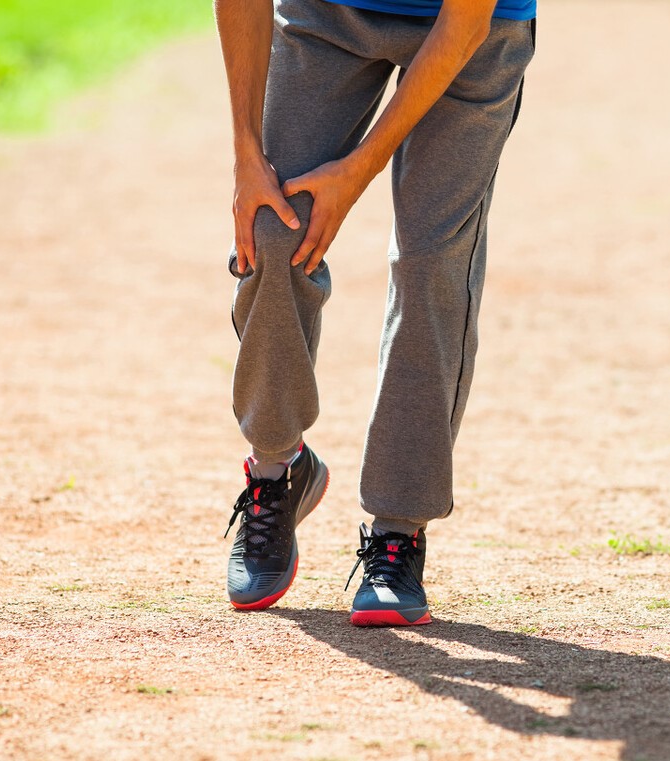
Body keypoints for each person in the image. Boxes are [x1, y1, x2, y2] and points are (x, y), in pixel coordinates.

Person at [213, 0, 535, 626]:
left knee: (430, 265)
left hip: (475, 34)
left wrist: (359, 169)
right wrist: (245, 155)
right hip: (330, 14)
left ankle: (398, 531)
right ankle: (277, 468)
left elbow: (465, 22)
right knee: (274, 233)